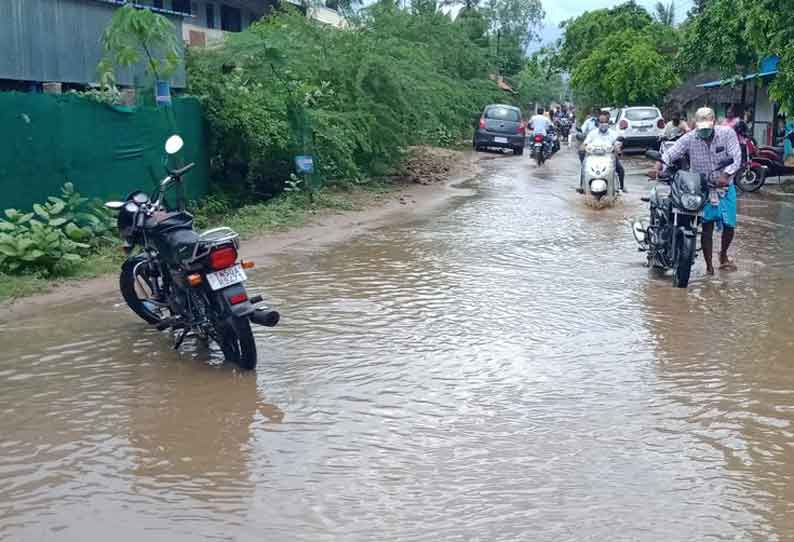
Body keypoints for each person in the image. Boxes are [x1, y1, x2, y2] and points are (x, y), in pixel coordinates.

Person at [660, 107, 742, 275]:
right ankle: (709, 266)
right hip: (701, 187)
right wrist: (660, 166)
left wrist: (726, 175)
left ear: (714, 124)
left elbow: (736, 157)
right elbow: (671, 153)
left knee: (729, 225)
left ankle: (724, 254)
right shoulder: (689, 138)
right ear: (696, 126)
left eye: (707, 129)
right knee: (706, 227)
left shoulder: (727, 134)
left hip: (725, 186)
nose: (704, 132)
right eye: (701, 129)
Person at [581, 110, 626, 192]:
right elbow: (584, 144)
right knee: (584, 167)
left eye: (605, 121)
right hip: (593, 159)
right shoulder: (592, 133)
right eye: (601, 122)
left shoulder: (614, 134)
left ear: (608, 122)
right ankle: (582, 186)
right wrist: (583, 148)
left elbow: (618, 145)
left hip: (609, 158)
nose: (603, 124)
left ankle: (621, 187)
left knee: (620, 169)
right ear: (598, 122)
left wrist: (618, 150)